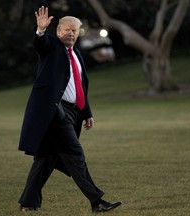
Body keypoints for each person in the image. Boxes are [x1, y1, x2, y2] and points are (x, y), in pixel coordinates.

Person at [18, 6, 122, 213]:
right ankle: (97, 201)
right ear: (58, 31)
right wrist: (40, 31)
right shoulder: (52, 47)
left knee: (46, 158)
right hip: (55, 111)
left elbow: (79, 85)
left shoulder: (77, 54)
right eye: (67, 30)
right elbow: (40, 44)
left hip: (72, 112)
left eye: (74, 30)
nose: (71, 33)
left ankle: (28, 203)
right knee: (75, 153)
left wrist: (86, 112)